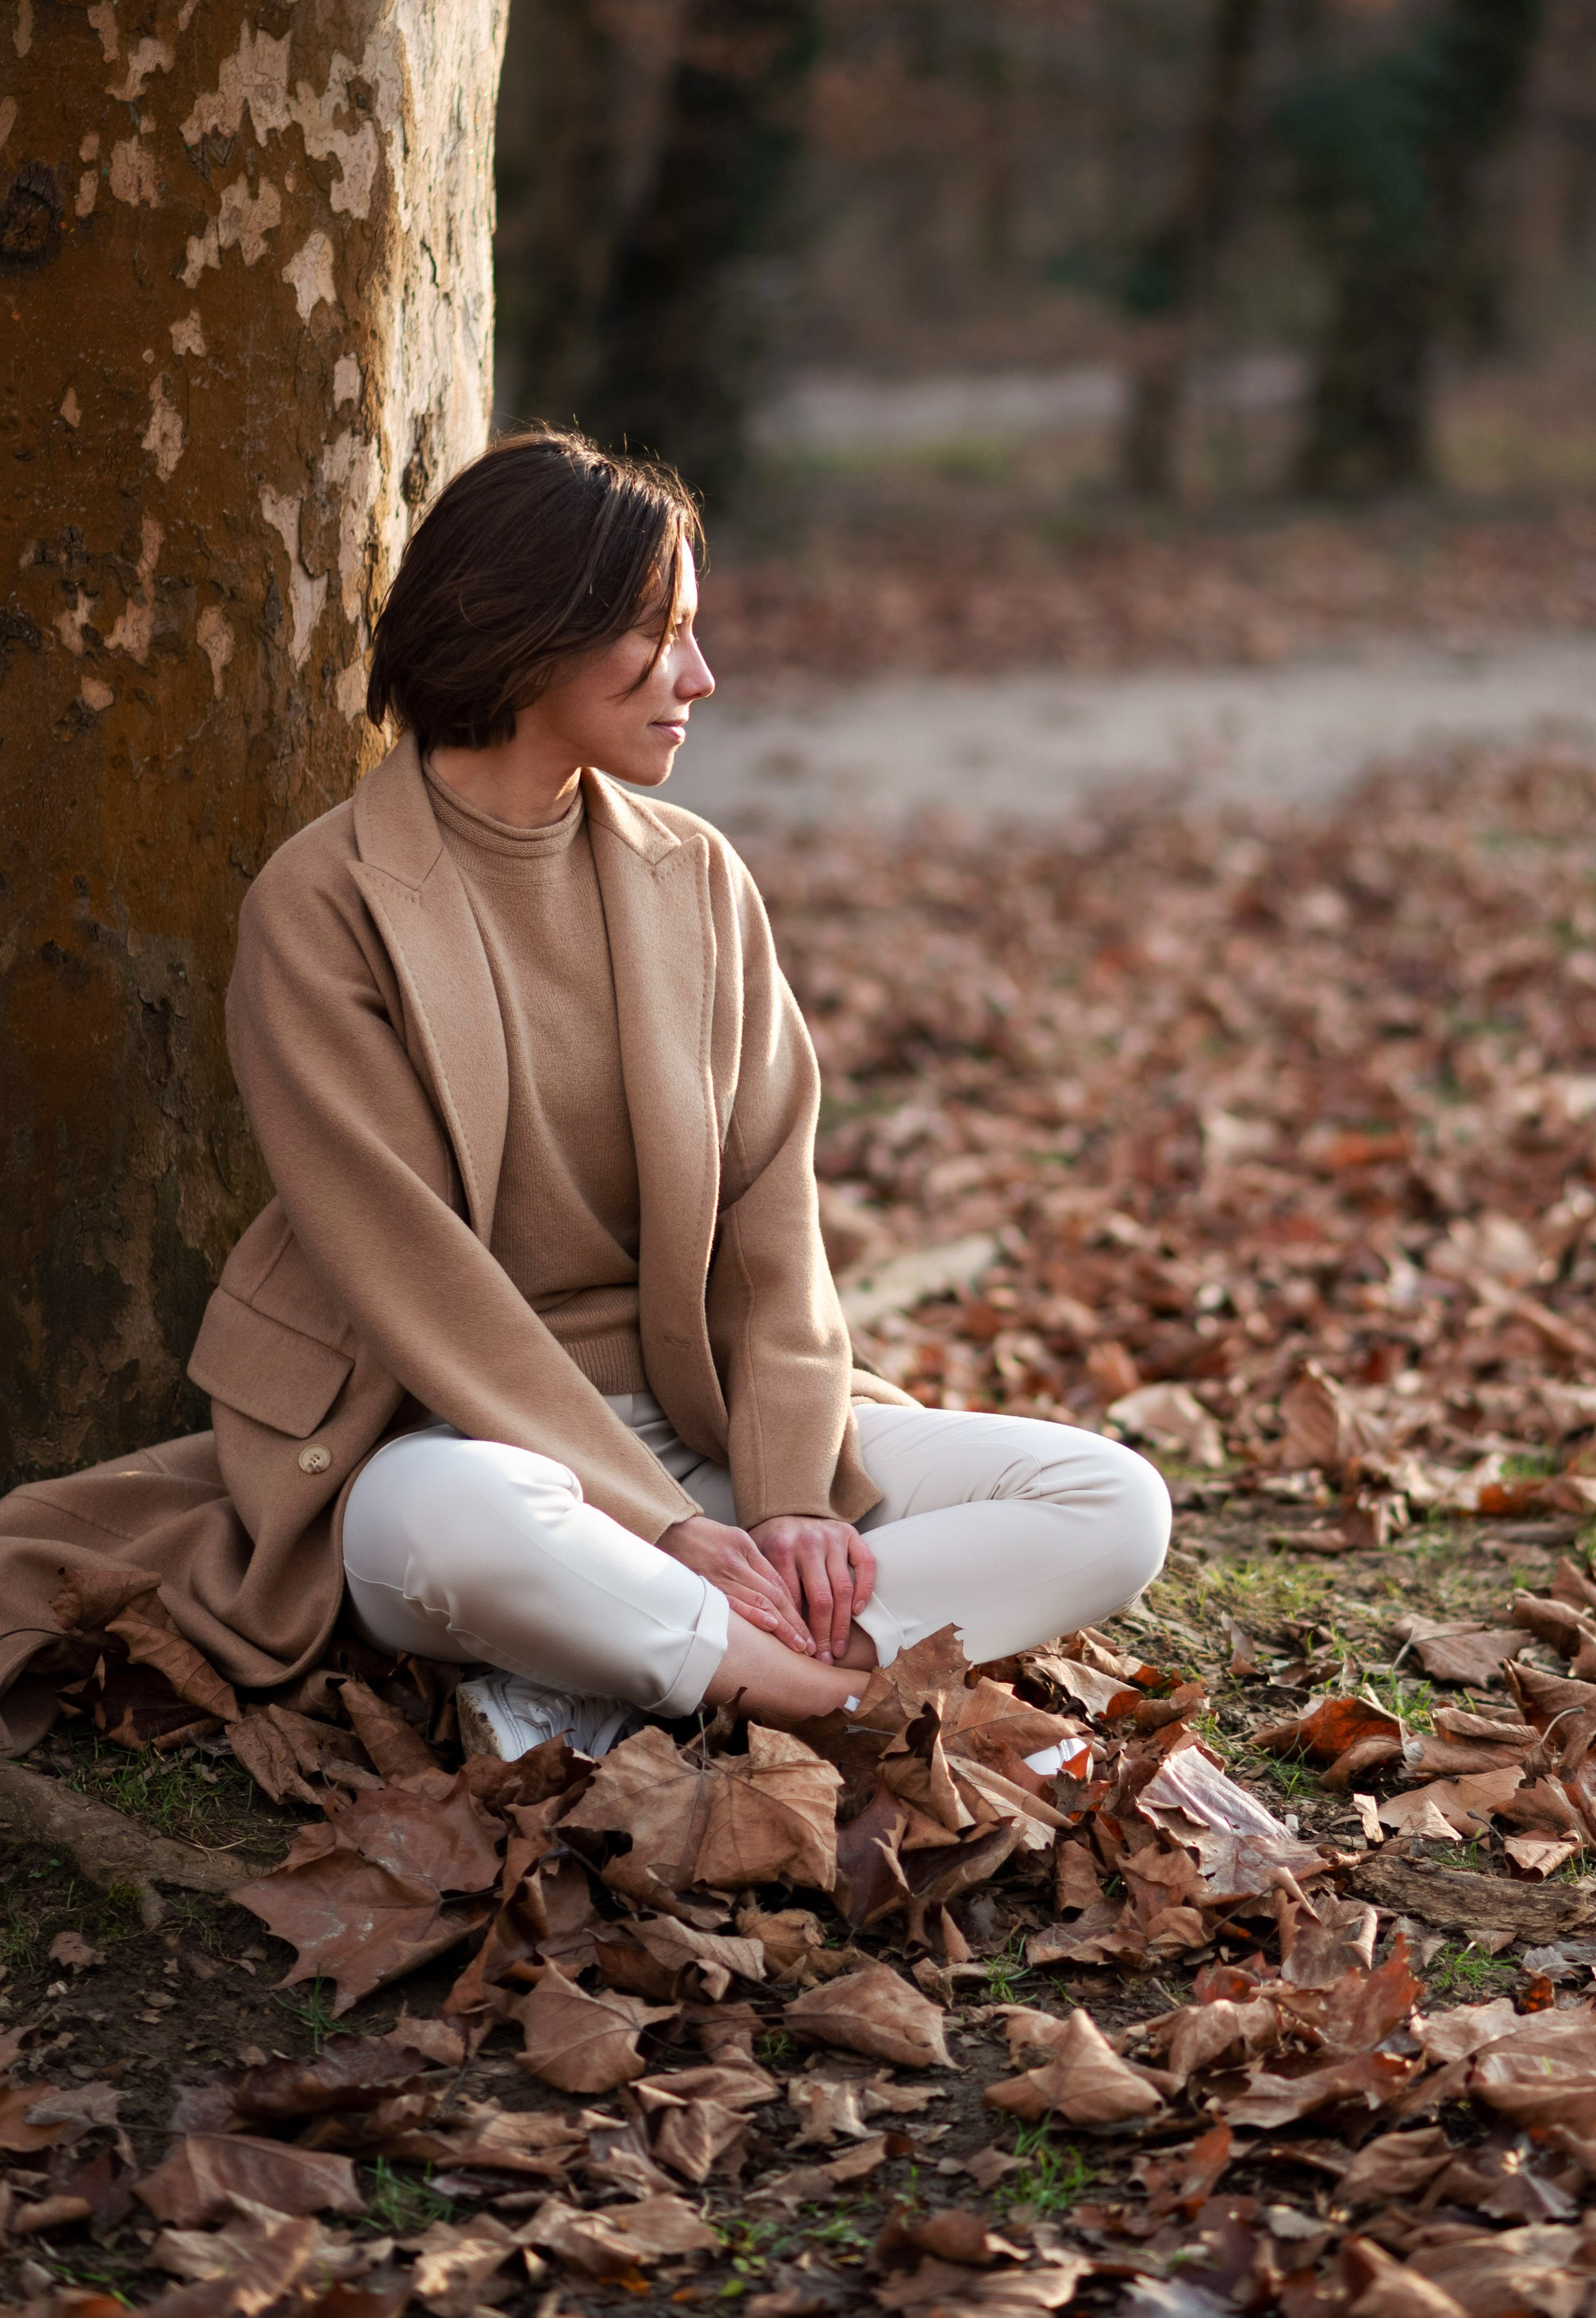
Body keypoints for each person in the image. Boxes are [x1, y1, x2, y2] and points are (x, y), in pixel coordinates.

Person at [0, 429, 1170, 1766]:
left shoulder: (700, 876)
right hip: (458, 1443)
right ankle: (817, 1696)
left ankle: (629, 1666)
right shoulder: (323, 906)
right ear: (531, 631)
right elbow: (414, 1275)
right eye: (661, 634)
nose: (700, 676)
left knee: (1110, 1500)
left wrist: (787, 1500)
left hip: (709, 1425)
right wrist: (660, 1527)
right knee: (439, 1530)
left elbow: (771, 1223)